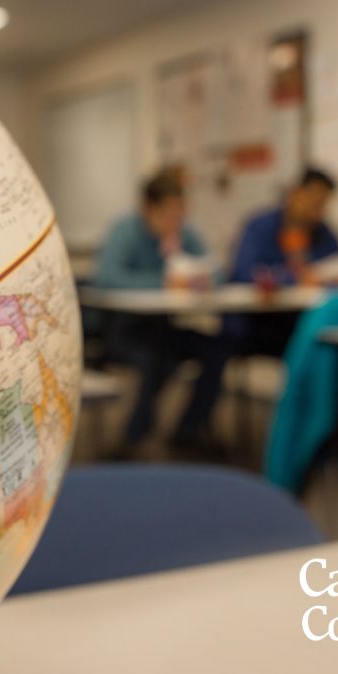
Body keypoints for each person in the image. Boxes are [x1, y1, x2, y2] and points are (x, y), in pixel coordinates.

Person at [93, 168, 229, 457]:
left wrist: (200, 278)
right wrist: (163, 281)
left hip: (165, 327)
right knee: (155, 357)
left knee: (216, 349)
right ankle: (131, 439)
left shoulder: (182, 233)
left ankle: (188, 430)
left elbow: (215, 269)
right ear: (147, 208)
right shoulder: (125, 231)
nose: (174, 220)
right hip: (127, 332)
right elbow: (106, 277)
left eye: (179, 212)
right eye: (168, 212)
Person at [226, 167, 338, 356]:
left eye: (322, 206)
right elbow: (242, 273)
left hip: (299, 320)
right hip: (259, 321)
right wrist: (293, 278)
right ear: (295, 194)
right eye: (313, 203)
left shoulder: (322, 233)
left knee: (326, 337)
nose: (316, 213)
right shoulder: (259, 227)